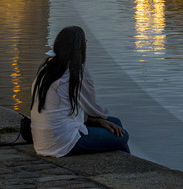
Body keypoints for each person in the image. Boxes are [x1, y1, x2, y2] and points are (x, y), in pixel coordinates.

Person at [27, 26, 129, 157]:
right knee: (122, 136)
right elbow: (96, 111)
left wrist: (97, 121)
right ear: (80, 48)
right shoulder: (75, 72)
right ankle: (134, 173)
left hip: (42, 140)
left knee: (115, 123)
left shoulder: (47, 69)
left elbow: (66, 110)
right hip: (62, 142)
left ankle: (133, 173)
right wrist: (99, 119)